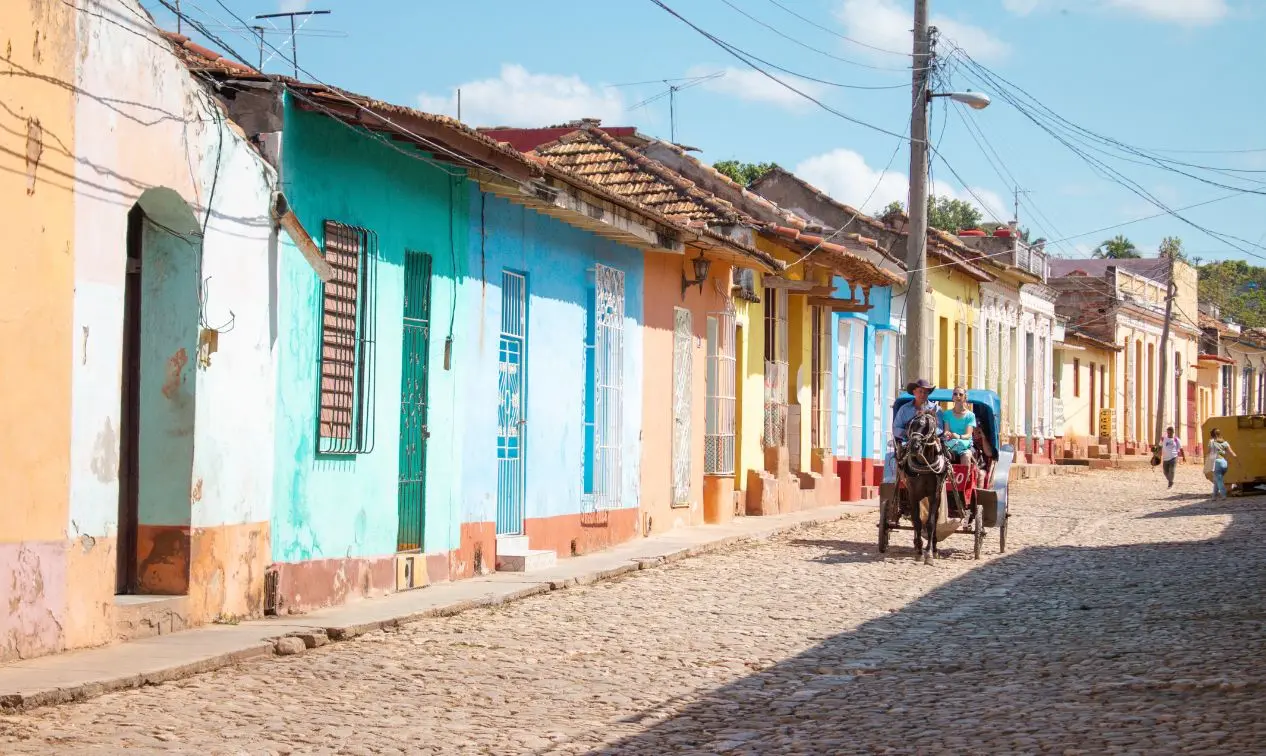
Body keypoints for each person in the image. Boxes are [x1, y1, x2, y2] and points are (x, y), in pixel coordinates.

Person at [893, 378, 943, 444]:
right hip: (908, 442)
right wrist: (908, 433)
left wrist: (926, 434)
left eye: (925, 392)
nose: (923, 394)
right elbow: (896, 429)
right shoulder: (904, 409)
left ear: (928, 394)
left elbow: (939, 429)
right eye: (920, 391)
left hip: (928, 443)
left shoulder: (936, 409)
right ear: (914, 392)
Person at [940, 386, 977, 467]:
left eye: (961, 394)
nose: (958, 396)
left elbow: (968, 435)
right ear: (952, 397)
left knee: (966, 456)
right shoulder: (947, 414)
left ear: (965, 397)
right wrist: (947, 434)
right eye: (955, 394)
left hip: (965, 445)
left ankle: (965, 479)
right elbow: (946, 431)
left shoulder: (970, 415)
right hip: (950, 444)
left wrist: (958, 436)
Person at [1208, 427, 1236, 500]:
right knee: (1216, 480)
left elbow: (1209, 453)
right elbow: (1231, 452)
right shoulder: (1225, 442)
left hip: (1216, 463)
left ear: (1212, 435)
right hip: (1224, 463)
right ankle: (1214, 496)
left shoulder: (1211, 442)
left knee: (1219, 480)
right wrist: (1236, 458)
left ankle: (1223, 495)